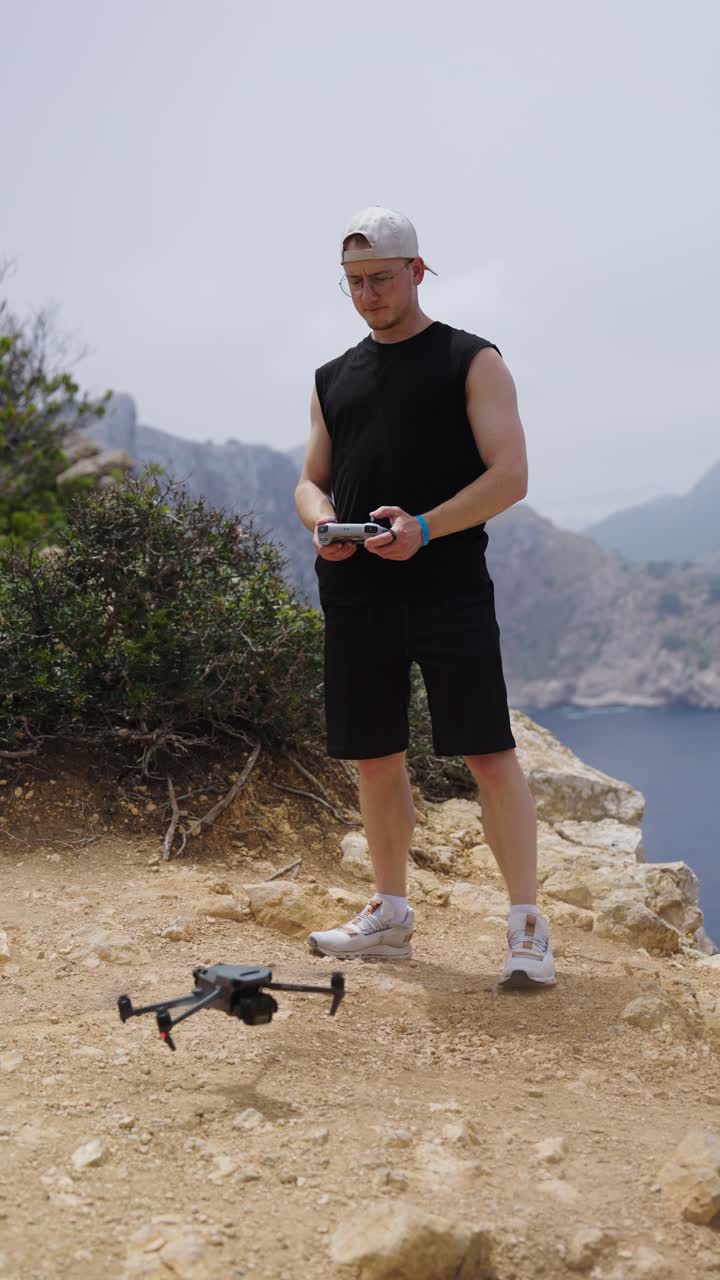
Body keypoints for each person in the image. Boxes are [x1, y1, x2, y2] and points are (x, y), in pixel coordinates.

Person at [293, 206, 555, 988]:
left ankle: (527, 928)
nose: (367, 295)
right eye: (353, 284)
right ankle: (390, 915)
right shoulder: (332, 378)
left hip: (447, 586)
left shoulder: (471, 361)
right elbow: (311, 479)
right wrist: (321, 523)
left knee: (487, 751)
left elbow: (510, 475)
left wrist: (426, 528)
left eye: (379, 279)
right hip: (356, 588)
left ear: (417, 271)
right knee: (376, 757)